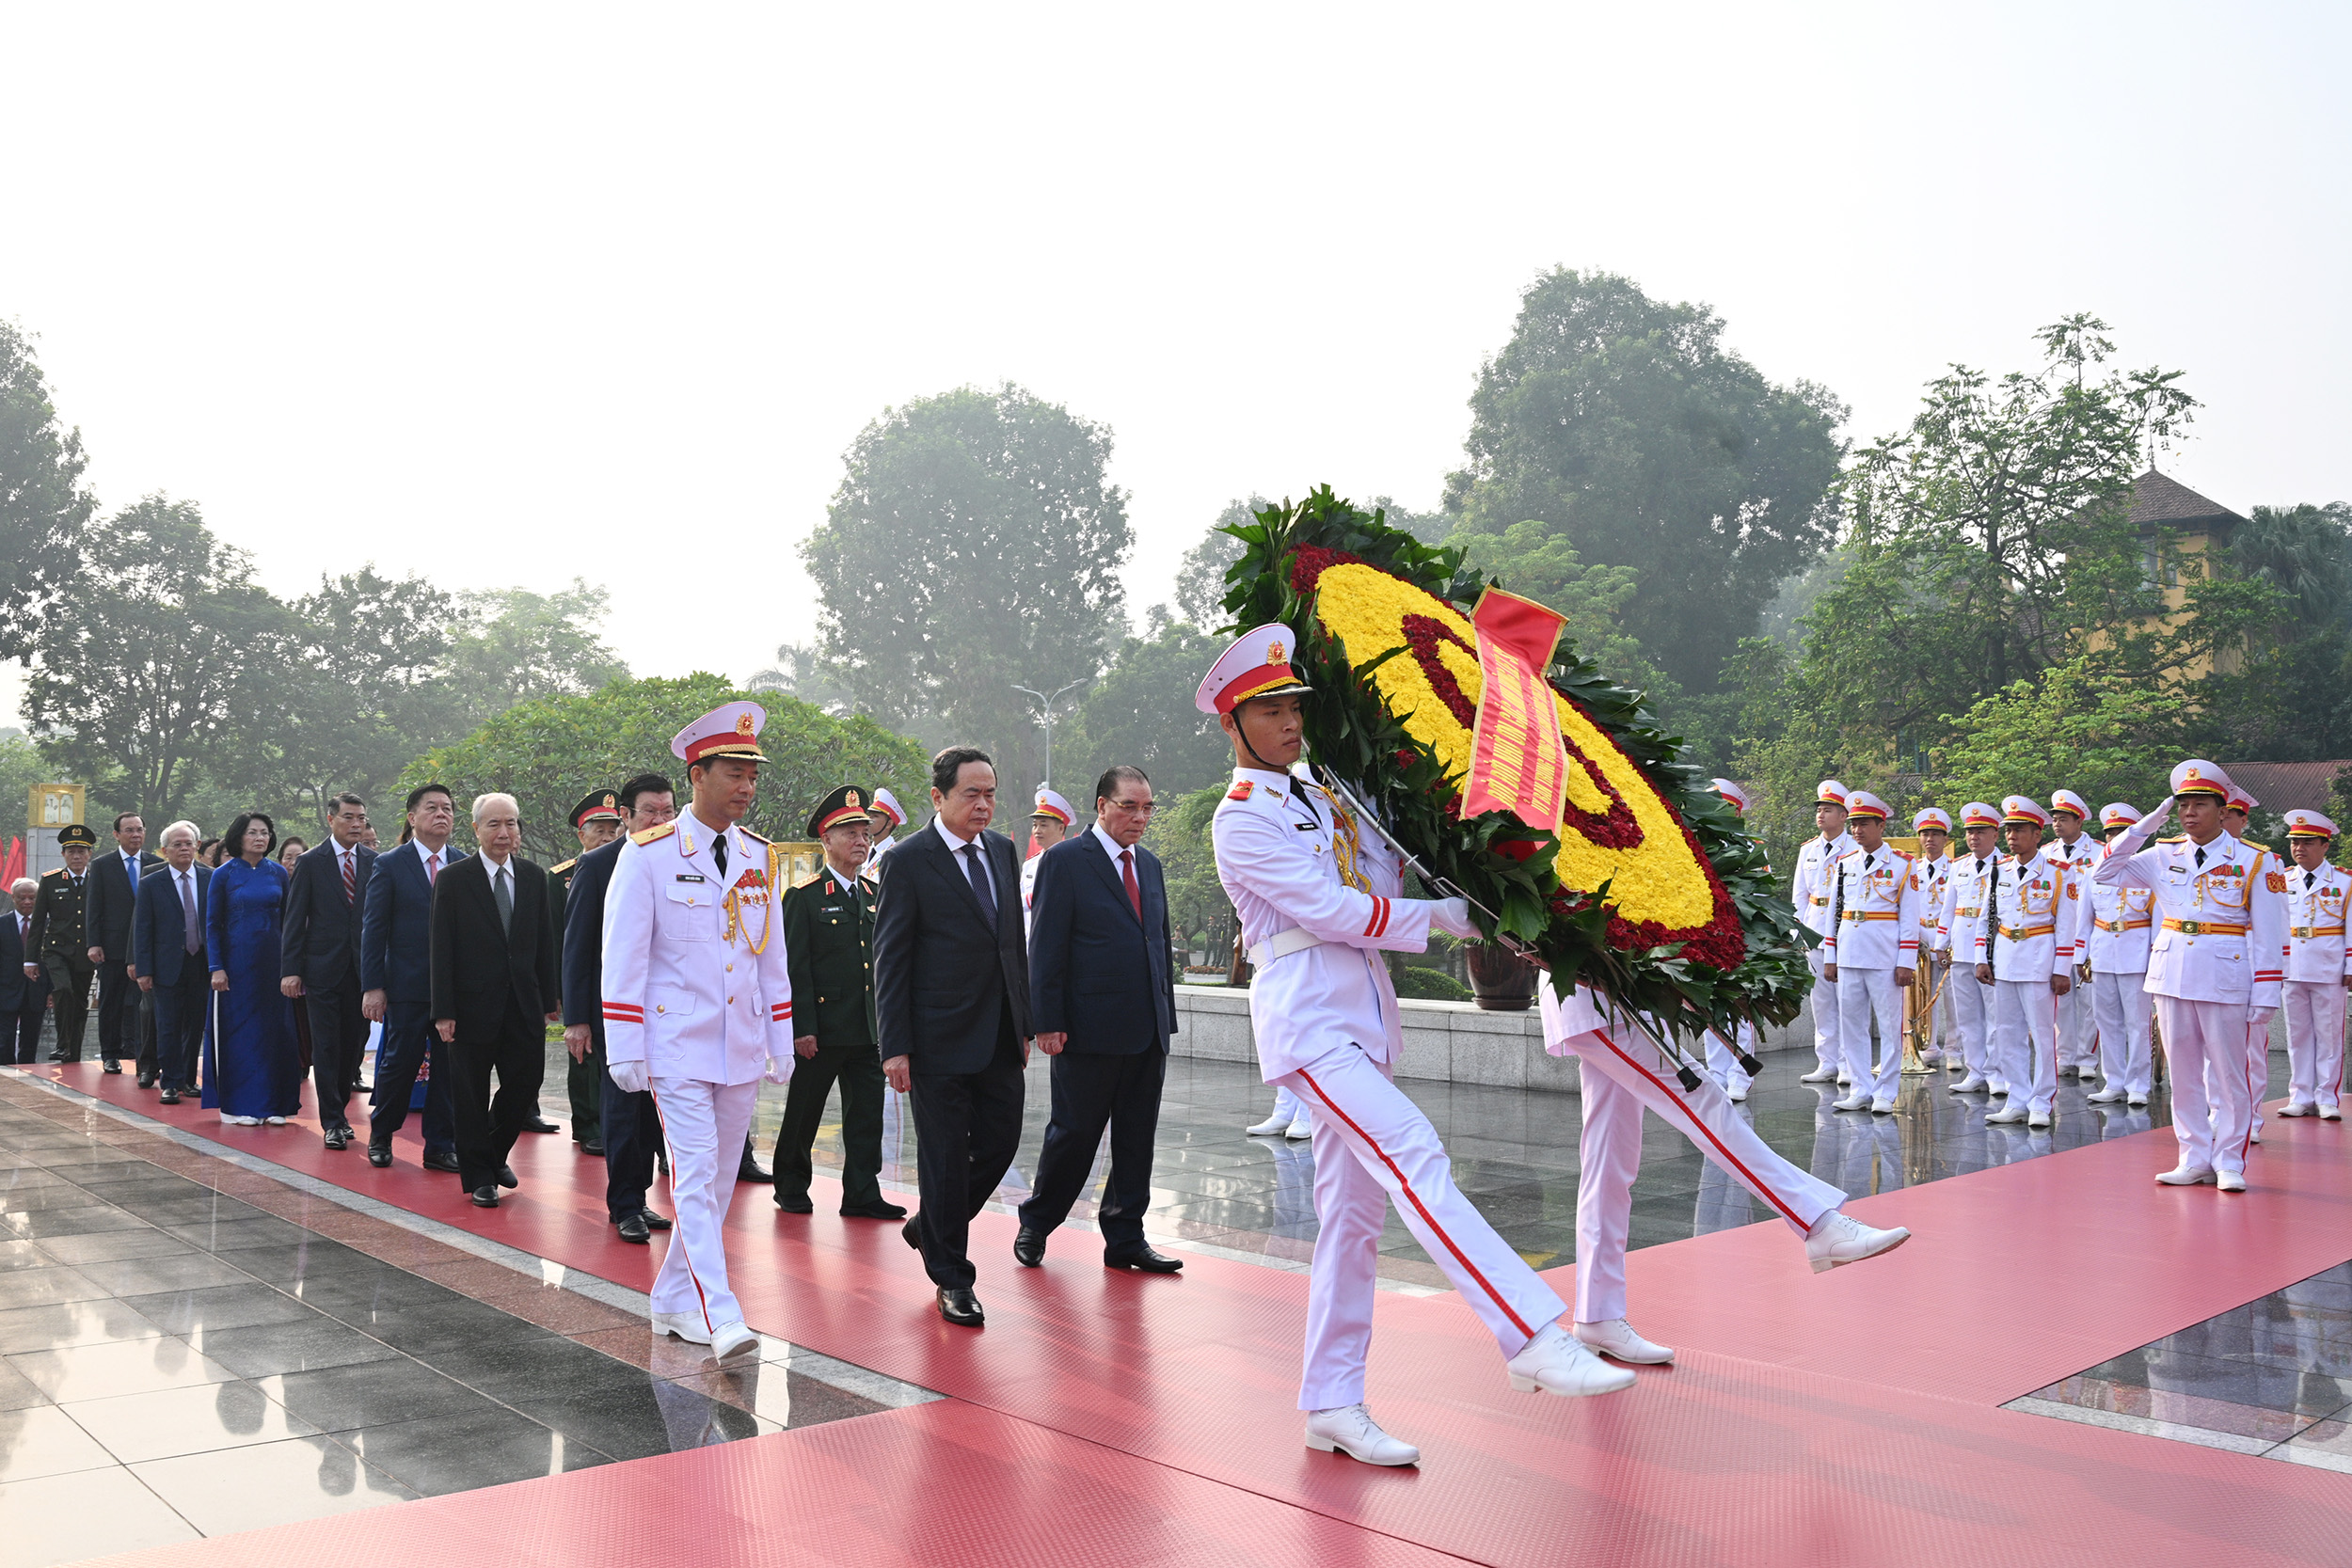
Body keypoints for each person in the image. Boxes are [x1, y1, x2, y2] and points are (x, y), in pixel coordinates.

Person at [1200, 624, 1633, 1469]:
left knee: (1351, 1223)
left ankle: (1332, 1401)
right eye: (1271, 708)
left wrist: (1460, 860)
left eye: (1295, 706)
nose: (1290, 722)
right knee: (1414, 1150)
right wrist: (1442, 919)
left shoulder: (1323, 798)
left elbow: (1379, 879)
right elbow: (1329, 910)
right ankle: (1530, 1332)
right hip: (1309, 1023)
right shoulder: (1240, 818)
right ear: (1234, 722)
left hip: (1361, 1017)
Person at [1537, 977, 1908, 1376]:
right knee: (1703, 1103)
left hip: (1613, 998)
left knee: (1609, 1162)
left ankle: (1598, 1315)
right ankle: (1818, 1223)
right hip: (1594, 1001)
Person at [602, 701, 794, 1360]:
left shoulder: (756, 855)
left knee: (716, 1183)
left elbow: (770, 955)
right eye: (733, 772)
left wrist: (780, 1036)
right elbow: (622, 954)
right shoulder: (647, 854)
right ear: (696, 774)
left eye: (752, 775)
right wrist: (624, 1046)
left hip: (739, 1042)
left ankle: (674, 1299)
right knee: (693, 1172)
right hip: (676, 1045)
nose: (745, 786)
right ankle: (723, 1311)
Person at [874, 745, 1032, 1328]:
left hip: (997, 1035)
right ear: (939, 797)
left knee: (1001, 1142)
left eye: (990, 792)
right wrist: (895, 1045)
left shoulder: (1003, 851)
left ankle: (929, 1226)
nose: (984, 804)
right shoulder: (909, 861)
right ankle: (952, 1278)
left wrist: (1025, 1023)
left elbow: (1011, 944)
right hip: (935, 1038)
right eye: (972, 793)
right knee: (942, 1159)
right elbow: (891, 959)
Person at [1016, 764, 1182, 1272]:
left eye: (1147, 806)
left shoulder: (1149, 865)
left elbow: (1158, 943)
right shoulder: (1065, 861)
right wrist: (1045, 1020)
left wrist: (1165, 1014)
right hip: (1088, 1027)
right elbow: (1046, 946)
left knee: (1137, 1139)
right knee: (1074, 1134)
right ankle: (1037, 1222)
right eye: (1129, 805)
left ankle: (1126, 1236)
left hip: (1146, 1027)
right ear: (1102, 805)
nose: (1140, 816)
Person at [2096, 762, 2288, 1192]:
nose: (2189, 813)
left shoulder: (2255, 860)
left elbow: (2270, 932)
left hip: (2226, 975)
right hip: (2172, 974)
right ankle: (2193, 1156)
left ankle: (2230, 1161)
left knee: (2229, 1074)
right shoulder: (2162, 853)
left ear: (2223, 811)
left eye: (2199, 804)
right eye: (2182, 805)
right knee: (2183, 1074)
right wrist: (2145, 826)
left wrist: (2266, 993)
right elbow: (2104, 873)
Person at [772, 785, 902, 1222]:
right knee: (804, 1111)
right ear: (826, 840)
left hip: (866, 1028)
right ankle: (790, 1184)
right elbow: (796, 968)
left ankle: (863, 1192)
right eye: (849, 833)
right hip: (822, 1030)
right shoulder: (804, 897)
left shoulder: (873, 893)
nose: (860, 841)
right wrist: (801, 1027)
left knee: (866, 1117)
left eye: (865, 832)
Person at [562, 772, 676, 1243]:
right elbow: (578, 947)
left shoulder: (679, 859)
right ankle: (624, 1204)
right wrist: (577, 1019)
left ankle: (641, 1195)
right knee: (624, 1110)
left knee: (655, 1113)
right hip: (617, 1012)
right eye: (650, 811)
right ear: (625, 816)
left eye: (668, 811)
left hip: (670, 1011)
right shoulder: (598, 865)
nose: (660, 819)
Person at [430, 793, 559, 1207]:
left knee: (524, 1085)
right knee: (469, 1094)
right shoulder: (454, 879)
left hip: (523, 1003)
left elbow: (543, 943)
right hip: (469, 1007)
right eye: (494, 825)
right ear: (476, 830)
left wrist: (549, 997)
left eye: (512, 824)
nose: (504, 833)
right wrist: (443, 1010)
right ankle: (479, 1178)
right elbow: (441, 948)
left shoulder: (535, 877)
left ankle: (491, 1153)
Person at [361, 783, 467, 1171]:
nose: (442, 814)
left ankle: (440, 1145)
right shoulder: (389, 864)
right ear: (412, 818)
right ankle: (381, 1134)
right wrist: (373, 986)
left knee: (449, 1069)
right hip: (406, 986)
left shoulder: (464, 862)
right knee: (399, 1064)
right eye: (432, 808)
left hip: (453, 989)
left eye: (448, 808)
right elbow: (374, 930)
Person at [1973, 797, 2080, 1131]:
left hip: (2039, 958)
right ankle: (2016, 1098)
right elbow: (1986, 917)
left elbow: (2066, 923)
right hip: (2005, 956)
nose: (2012, 836)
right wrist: (1981, 957)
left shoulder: (2059, 873)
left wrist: (2063, 968)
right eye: (2009, 831)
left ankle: (2040, 1101)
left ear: (2038, 834)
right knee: (2007, 1033)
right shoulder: (1999, 870)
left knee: (2042, 1033)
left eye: (2019, 830)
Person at [279, 794, 374, 1149]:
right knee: (326, 1046)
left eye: (361, 818)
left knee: (354, 1044)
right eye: (348, 817)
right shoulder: (310, 862)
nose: (356, 824)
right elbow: (294, 919)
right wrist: (291, 970)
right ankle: (332, 1121)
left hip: (363, 972)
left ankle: (342, 1110)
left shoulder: (373, 861)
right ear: (330, 819)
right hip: (321, 970)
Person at [1822, 791, 1921, 1116]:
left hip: (1884, 955)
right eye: (1853, 825)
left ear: (1881, 826)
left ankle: (1885, 1092)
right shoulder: (1844, 864)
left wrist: (1906, 961)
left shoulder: (1903, 865)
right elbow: (1834, 912)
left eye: (1864, 824)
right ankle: (1860, 1088)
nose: (1857, 831)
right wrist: (1830, 955)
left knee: (1890, 1027)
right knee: (1851, 1024)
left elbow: (1909, 917)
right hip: (1850, 951)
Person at [206, 812, 303, 1126]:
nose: (260, 838)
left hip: (274, 965)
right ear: (238, 837)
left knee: (277, 1032)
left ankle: (276, 1103)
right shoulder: (223, 874)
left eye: (265, 832)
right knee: (241, 1033)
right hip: (237, 965)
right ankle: (239, 1105)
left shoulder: (278, 873)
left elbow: (291, 922)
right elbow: (212, 925)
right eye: (253, 832)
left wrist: (293, 965)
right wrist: (217, 967)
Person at [550, 790, 625, 1155]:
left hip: (618, 982)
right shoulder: (562, 877)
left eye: (614, 829)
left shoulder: (630, 865)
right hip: (583, 979)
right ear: (582, 835)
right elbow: (558, 939)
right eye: (599, 830)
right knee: (584, 1058)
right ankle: (587, 1124)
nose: (608, 837)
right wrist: (558, 991)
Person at [2275, 809, 2351, 1121]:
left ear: (2325, 845)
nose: (2299, 848)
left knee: (2330, 1035)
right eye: (2295, 842)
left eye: (2307, 842)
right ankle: (2301, 1095)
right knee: (2298, 1034)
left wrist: (2349, 966)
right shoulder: (2283, 880)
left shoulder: (2344, 881)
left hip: (2327, 966)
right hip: (2292, 966)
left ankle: (2328, 1096)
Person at [2084, 802, 2158, 1110]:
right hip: (2103, 952)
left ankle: (2138, 1083)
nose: (2116, 841)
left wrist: (2155, 956)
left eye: (2122, 835)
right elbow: (2083, 918)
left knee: (2137, 1023)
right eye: (2112, 835)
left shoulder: (2148, 871)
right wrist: (2081, 955)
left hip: (2137, 952)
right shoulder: (2094, 872)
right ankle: (2113, 1081)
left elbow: (2159, 917)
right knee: (2106, 1020)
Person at [135, 822, 210, 1104]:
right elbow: (142, 928)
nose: (184, 848)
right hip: (166, 965)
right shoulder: (151, 883)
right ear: (165, 850)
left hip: (201, 963)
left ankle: (189, 1079)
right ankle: (170, 1081)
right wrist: (144, 969)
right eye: (177, 844)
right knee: (167, 1024)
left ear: (197, 846)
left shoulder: (210, 878)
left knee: (195, 1025)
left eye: (189, 843)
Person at [83, 813, 159, 1080]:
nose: (135, 835)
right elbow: (93, 907)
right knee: (111, 1002)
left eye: (139, 829)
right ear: (116, 834)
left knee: (146, 1006)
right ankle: (110, 1054)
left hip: (146, 945)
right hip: (113, 947)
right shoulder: (103, 865)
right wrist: (94, 943)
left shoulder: (157, 863)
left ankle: (145, 1059)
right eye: (129, 830)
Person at [1794, 783, 1856, 1085]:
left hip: (1846, 930)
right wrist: (1799, 932)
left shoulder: (1856, 849)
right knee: (1822, 1002)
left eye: (1828, 809)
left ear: (1844, 815)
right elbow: (1800, 897)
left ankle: (1847, 1062)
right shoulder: (1808, 849)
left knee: (1848, 1000)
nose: (1821, 814)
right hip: (1816, 929)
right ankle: (1827, 1061)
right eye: (1819, 809)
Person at [1939, 803, 2004, 1097]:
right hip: (1962, 948)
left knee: (1995, 1017)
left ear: (1995, 834)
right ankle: (1975, 1070)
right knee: (1967, 1017)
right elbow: (1948, 909)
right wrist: (1941, 945)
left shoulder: (2006, 866)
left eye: (1981, 831)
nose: (1974, 837)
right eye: (1970, 832)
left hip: (1992, 952)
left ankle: (1997, 1073)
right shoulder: (1958, 866)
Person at [29, 824, 98, 1062]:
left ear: (90, 854)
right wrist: (30, 960)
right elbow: (37, 922)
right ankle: (62, 1043)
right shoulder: (51, 880)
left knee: (80, 1005)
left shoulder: (97, 880)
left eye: (81, 851)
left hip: (86, 953)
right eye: (71, 852)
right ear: (63, 855)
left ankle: (73, 1055)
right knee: (63, 990)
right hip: (56, 950)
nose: (76, 856)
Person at [2045, 789, 2101, 1081]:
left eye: (2064, 819)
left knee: (2089, 1000)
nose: (2057, 824)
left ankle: (2087, 1057)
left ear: (2079, 822)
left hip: (2089, 933)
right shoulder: (2045, 853)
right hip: (2057, 935)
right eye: (2054, 819)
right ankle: (2065, 1055)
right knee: (2061, 999)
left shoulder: (2099, 852)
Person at [1910, 808, 1953, 1069]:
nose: (1930, 839)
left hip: (1946, 936)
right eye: (1925, 834)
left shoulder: (1956, 868)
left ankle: (1955, 1050)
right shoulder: (1913, 869)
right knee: (1923, 994)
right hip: (1921, 935)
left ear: (1946, 839)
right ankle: (1929, 1045)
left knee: (1952, 996)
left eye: (1936, 834)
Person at [1019, 786, 1074, 935]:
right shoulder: (1029, 865)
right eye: (1035, 825)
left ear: (1061, 828)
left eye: (1043, 825)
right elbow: (1018, 902)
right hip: (1030, 943)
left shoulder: (1074, 863)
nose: (1037, 830)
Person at [3, 878, 45, 1066]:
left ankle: (28, 1079)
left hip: (36, 993)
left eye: (32, 897)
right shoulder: (2, 924)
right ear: (13, 898)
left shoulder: (48, 925)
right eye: (22, 897)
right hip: (6, 993)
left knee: (30, 1043)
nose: (27, 902)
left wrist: (51, 991)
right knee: (4, 1043)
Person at [864, 787, 907, 880]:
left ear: (889, 824)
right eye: (869, 815)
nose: (869, 819)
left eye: (875, 816)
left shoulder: (895, 855)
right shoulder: (868, 850)